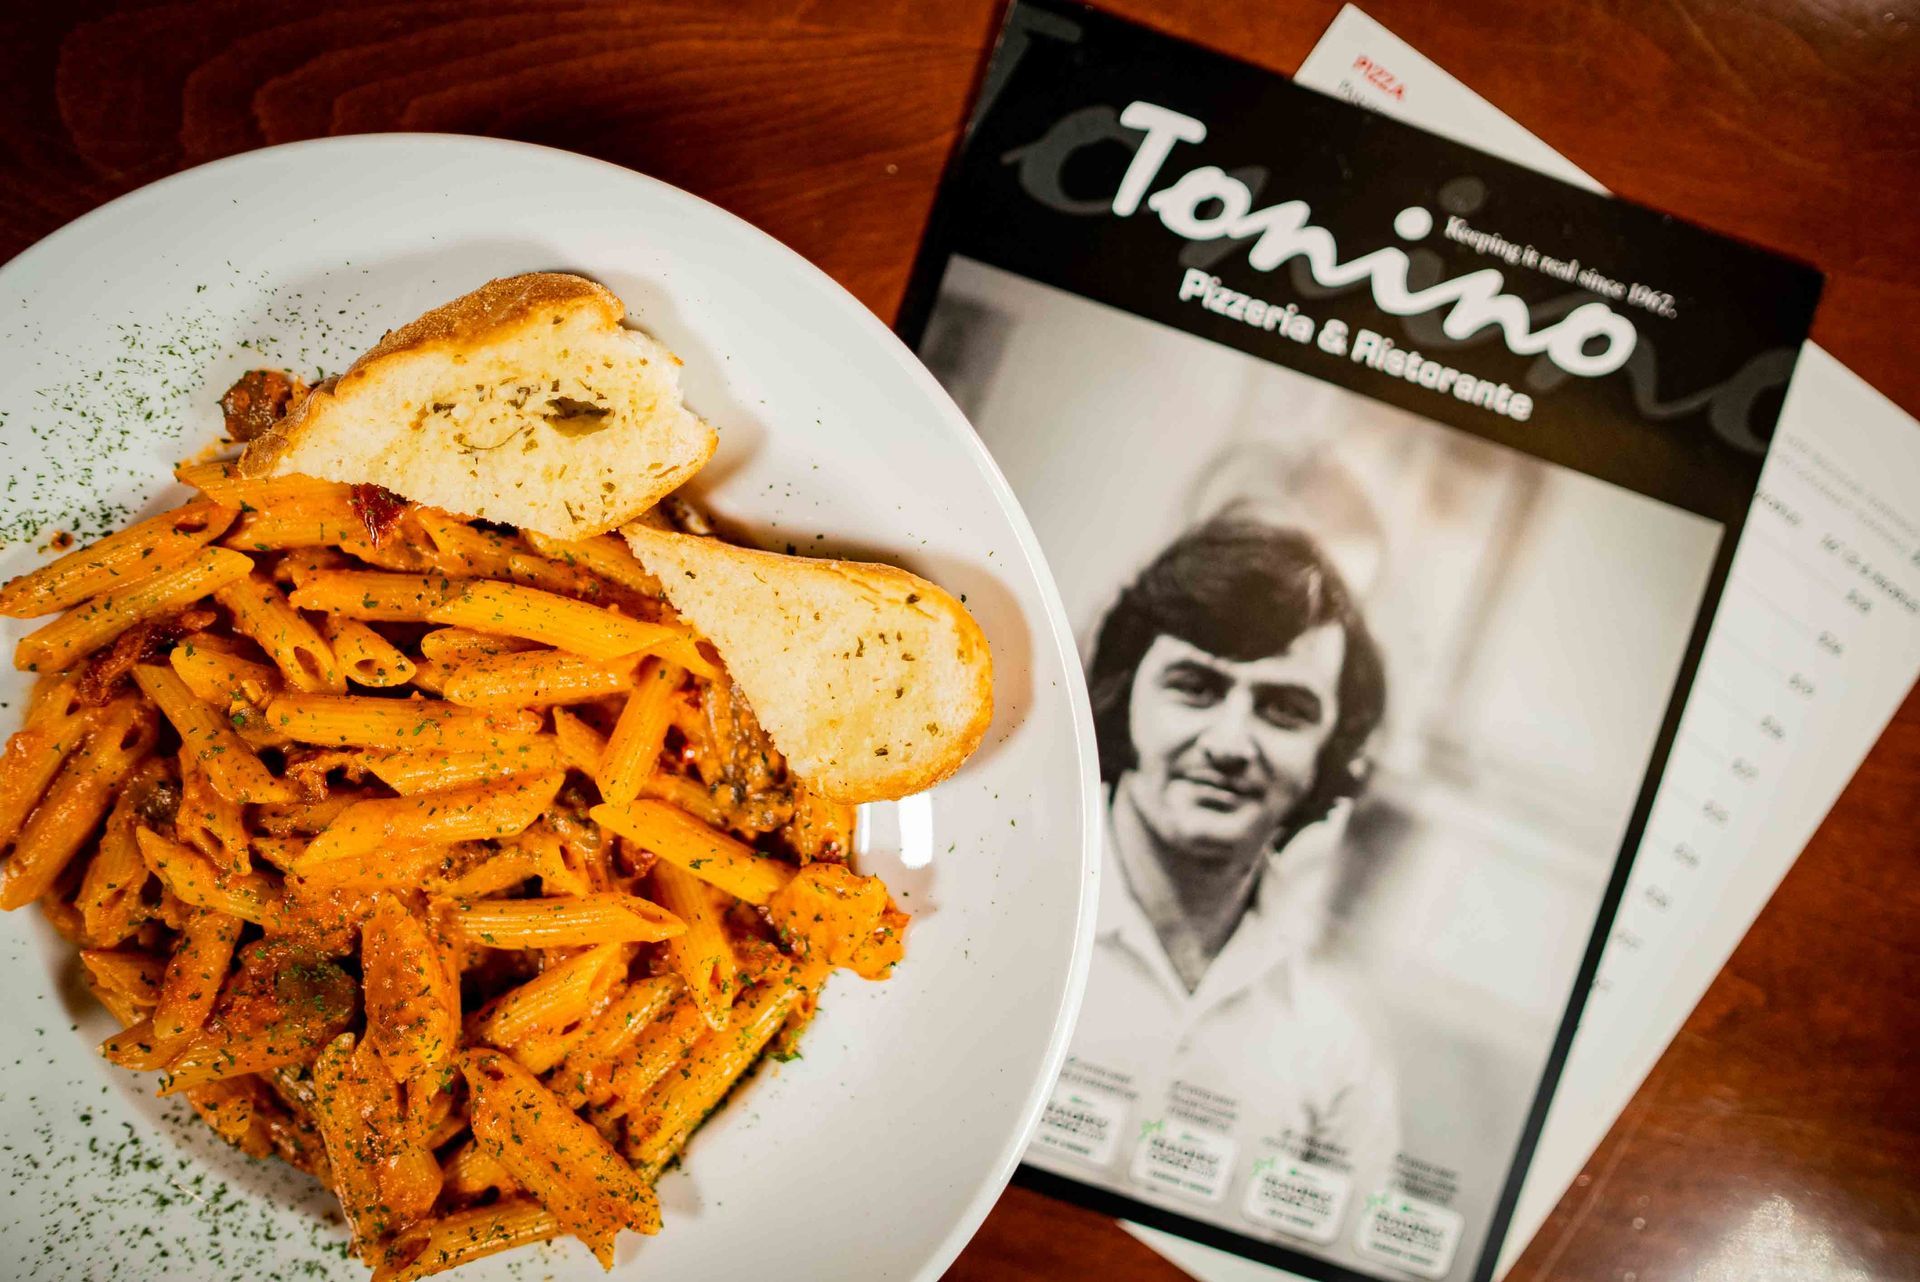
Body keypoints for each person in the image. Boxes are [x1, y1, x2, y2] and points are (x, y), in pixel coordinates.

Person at [1059, 517, 1398, 1214]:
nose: (1230, 743)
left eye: (1283, 709)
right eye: (1195, 686)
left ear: (1330, 755)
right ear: (1124, 700)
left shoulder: (1337, 1052)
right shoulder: (995, 913)